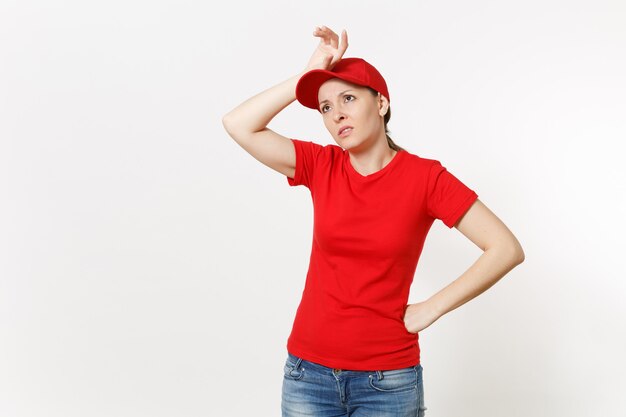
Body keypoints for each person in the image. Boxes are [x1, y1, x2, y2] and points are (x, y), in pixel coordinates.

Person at [222, 25, 525, 417]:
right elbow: (237, 123)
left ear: (380, 103)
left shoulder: (425, 178)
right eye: (326, 107)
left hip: (388, 379)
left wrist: (431, 308)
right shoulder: (321, 165)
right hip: (307, 373)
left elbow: (505, 248)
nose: (336, 114)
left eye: (348, 98)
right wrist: (304, 76)